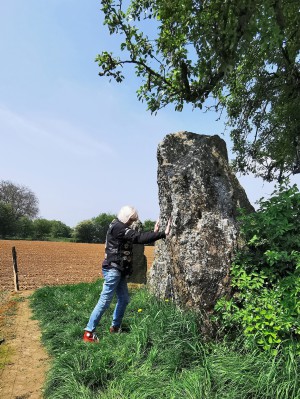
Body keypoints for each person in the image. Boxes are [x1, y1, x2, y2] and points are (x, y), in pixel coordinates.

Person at [83, 205, 171, 343]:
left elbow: (137, 237)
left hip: (119, 270)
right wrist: (162, 233)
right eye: (130, 221)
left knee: (124, 299)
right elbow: (137, 237)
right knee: (105, 300)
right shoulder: (118, 227)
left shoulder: (119, 226)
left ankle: (115, 327)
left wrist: (154, 233)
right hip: (113, 270)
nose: (131, 223)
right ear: (125, 218)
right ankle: (88, 332)